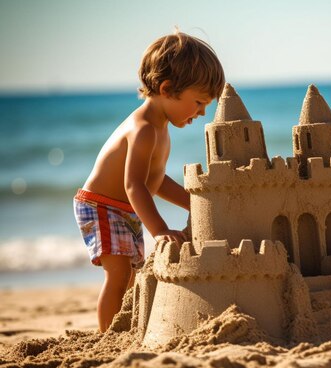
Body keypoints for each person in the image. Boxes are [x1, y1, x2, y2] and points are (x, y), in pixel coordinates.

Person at [73, 31, 225, 331]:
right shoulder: (144, 130)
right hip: (102, 206)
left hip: (124, 208)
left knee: (131, 276)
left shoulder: (160, 128)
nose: (202, 112)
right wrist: (160, 230)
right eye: (198, 102)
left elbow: (153, 181)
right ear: (167, 89)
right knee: (118, 275)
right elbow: (135, 186)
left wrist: (193, 202)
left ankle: (122, 329)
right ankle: (107, 336)